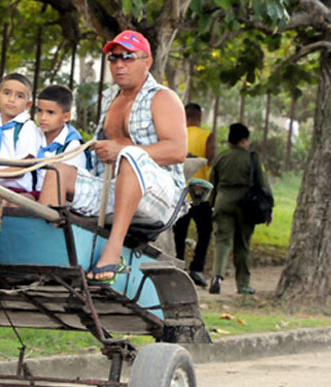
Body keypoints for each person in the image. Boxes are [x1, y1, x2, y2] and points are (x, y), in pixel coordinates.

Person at [37, 30, 187, 284]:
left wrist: (123, 151)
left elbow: (177, 151)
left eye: (128, 57)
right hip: (113, 190)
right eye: (114, 58)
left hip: (159, 197)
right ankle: (45, 256)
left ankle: (113, 251)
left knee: (131, 157)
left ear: (147, 61)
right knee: (58, 172)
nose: (119, 64)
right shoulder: (110, 98)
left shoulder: (162, 97)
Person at [208, 123, 271, 295]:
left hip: (223, 201)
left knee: (222, 241)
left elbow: (211, 183)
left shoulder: (221, 157)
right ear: (244, 140)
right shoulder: (252, 157)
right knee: (242, 244)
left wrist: (211, 204)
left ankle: (217, 277)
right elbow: (263, 184)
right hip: (246, 204)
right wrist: (268, 209)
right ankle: (243, 284)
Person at [173, 103, 216, 288]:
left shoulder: (176, 134)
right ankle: (196, 268)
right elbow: (211, 158)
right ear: (200, 117)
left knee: (179, 232)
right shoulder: (207, 136)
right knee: (205, 231)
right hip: (200, 192)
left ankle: (178, 266)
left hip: (180, 190)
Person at [34, 84, 88, 206]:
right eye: (39, 111)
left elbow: (71, 191)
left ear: (66, 117)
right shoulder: (33, 135)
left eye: (50, 112)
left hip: (57, 204)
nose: (43, 117)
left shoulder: (72, 147)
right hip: (31, 196)